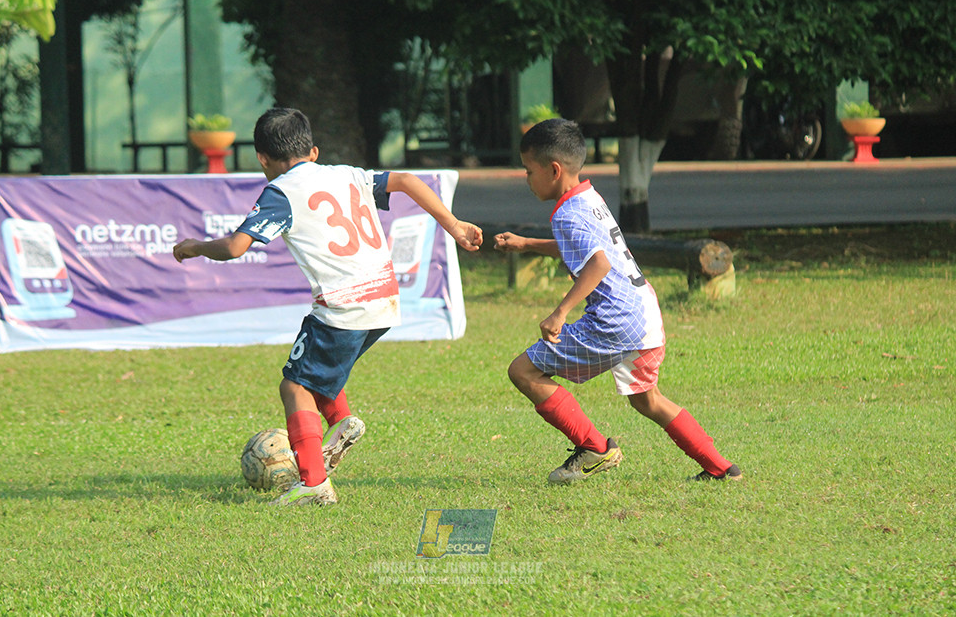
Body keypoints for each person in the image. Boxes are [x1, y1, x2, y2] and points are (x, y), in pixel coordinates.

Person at [174, 107, 483, 506]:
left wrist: (194, 247)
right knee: (316, 372)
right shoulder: (347, 174)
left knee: (295, 385)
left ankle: (314, 484)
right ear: (314, 151)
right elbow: (405, 179)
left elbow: (235, 247)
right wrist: (454, 225)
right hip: (385, 298)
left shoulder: (280, 191)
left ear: (262, 159)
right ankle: (340, 423)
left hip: (344, 305)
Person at [494, 118, 740, 484]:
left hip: (614, 319)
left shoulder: (565, 214)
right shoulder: (588, 197)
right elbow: (590, 249)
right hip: (643, 312)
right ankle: (722, 469)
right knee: (648, 400)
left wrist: (559, 313)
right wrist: (527, 243)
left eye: (529, 170)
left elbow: (598, 262)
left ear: (554, 169)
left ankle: (594, 447)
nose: (526, 179)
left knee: (523, 371)